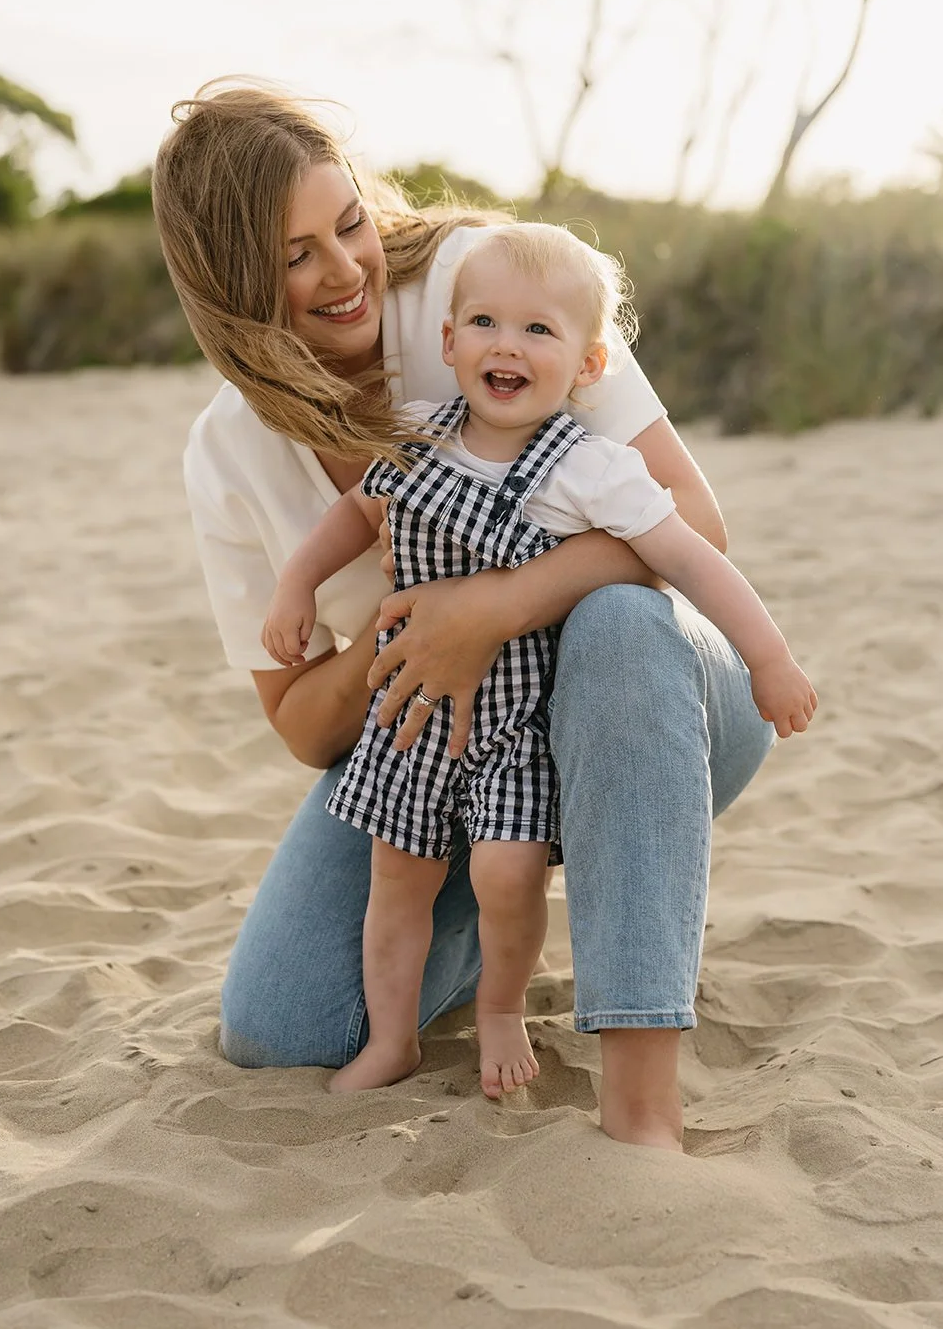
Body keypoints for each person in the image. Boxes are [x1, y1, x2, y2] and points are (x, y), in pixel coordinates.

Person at [153, 79, 784, 1151]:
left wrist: (494, 605)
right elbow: (302, 725)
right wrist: (411, 635)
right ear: (228, 281)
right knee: (282, 1025)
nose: (344, 269)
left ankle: (640, 1096)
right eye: (294, 253)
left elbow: (693, 522)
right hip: (440, 752)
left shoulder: (488, 286)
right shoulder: (225, 453)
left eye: (346, 223)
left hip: (646, 703)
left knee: (619, 621)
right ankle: (492, 923)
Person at [260, 223, 817, 1099]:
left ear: (588, 365)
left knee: (505, 873)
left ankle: (499, 1007)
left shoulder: (591, 471)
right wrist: (297, 584)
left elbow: (694, 557)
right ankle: (393, 1040)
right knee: (394, 880)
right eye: (484, 322)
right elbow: (356, 517)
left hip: (518, 725)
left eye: (539, 331)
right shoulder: (415, 438)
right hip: (410, 722)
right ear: (448, 344)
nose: (506, 345)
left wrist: (769, 657)